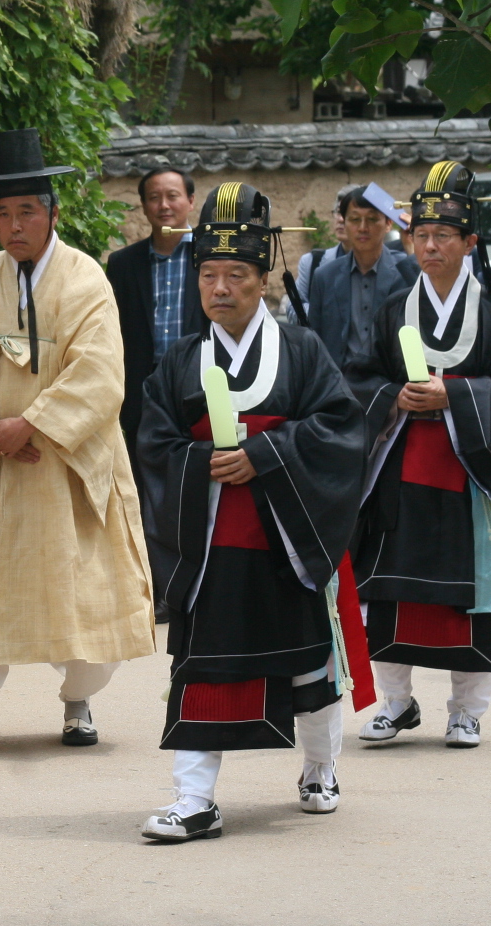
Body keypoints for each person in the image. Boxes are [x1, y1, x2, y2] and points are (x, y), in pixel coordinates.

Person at [136, 181, 372, 842]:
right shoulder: (182, 360)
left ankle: (321, 767)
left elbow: (338, 428)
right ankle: (193, 799)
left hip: (285, 540)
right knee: (199, 670)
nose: (219, 289)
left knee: (308, 666)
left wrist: (264, 455)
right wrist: (199, 462)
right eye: (208, 274)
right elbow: (153, 441)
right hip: (211, 542)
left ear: (261, 278)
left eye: (235, 274)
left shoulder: (300, 352)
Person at [0, 129, 155, 746]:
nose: (14, 226)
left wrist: (31, 424)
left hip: (65, 462)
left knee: (85, 592)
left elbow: (100, 372)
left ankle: (77, 702)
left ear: (53, 213)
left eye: (27, 212)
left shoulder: (87, 279)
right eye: (3, 214)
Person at [352, 164, 491, 749]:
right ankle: (397, 702)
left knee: (470, 591)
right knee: (388, 586)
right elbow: (357, 379)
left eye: (443, 237)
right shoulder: (392, 309)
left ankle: (467, 708)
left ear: (470, 243)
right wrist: (393, 397)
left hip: (469, 471)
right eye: (420, 236)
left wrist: (457, 394)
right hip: (401, 466)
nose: (429, 247)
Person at [106, 167, 205, 619]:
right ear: (144, 205)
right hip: (138, 396)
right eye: (153, 198)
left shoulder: (207, 257)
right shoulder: (123, 264)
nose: (163, 206)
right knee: (144, 491)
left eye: (172, 196)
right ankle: (156, 590)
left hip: (197, 392)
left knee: (193, 487)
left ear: (189, 200)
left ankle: (199, 582)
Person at [310, 185, 419, 402]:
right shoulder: (325, 276)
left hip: (392, 390)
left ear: (388, 223)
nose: (362, 228)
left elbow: (427, 307)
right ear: (344, 223)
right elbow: (316, 337)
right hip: (338, 390)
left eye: (372, 219)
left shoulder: (405, 272)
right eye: (354, 219)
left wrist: (411, 247)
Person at [293, 186, 352, 317]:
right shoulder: (312, 262)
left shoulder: (388, 264)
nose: (341, 219)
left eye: (348, 213)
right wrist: (325, 317)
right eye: (338, 212)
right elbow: (294, 307)